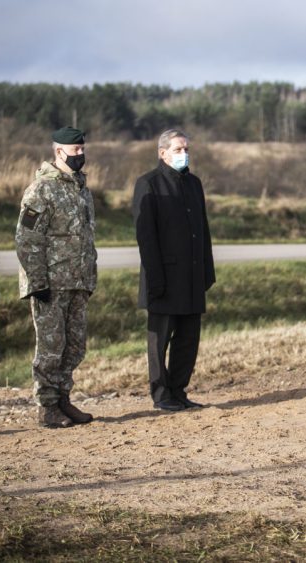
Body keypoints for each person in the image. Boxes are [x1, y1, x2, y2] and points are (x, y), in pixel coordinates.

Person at [15, 126, 98, 428]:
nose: (81, 155)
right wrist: (37, 283)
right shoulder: (41, 189)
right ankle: (47, 407)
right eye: (75, 150)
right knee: (51, 347)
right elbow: (27, 239)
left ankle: (63, 399)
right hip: (51, 284)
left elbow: (87, 237)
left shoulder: (81, 188)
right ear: (58, 151)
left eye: (82, 149)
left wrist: (90, 277)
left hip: (78, 282)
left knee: (75, 346)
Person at [132, 129, 215, 412]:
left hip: (192, 276)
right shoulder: (149, 183)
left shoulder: (194, 183)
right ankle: (161, 393)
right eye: (178, 149)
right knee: (159, 339)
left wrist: (207, 270)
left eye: (186, 149)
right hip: (164, 277)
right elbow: (146, 237)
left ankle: (179, 390)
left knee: (188, 338)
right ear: (162, 153)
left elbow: (202, 230)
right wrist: (155, 278)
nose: (184, 154)